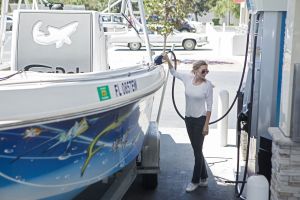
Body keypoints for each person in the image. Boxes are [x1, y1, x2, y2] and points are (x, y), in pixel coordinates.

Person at [163, 54, 213, 192]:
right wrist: (168, 60)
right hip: (188, 119)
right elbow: (173, 72)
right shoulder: (187, 79)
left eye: (207, 71)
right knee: (197, 149)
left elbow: (209, 107)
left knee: (197, 152)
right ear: (195, 71)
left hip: (200, 120)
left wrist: (206, 125)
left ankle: (195, 181)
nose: (205, 73)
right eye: (203, 71)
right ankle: (204, 178)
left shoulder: (207, 86)